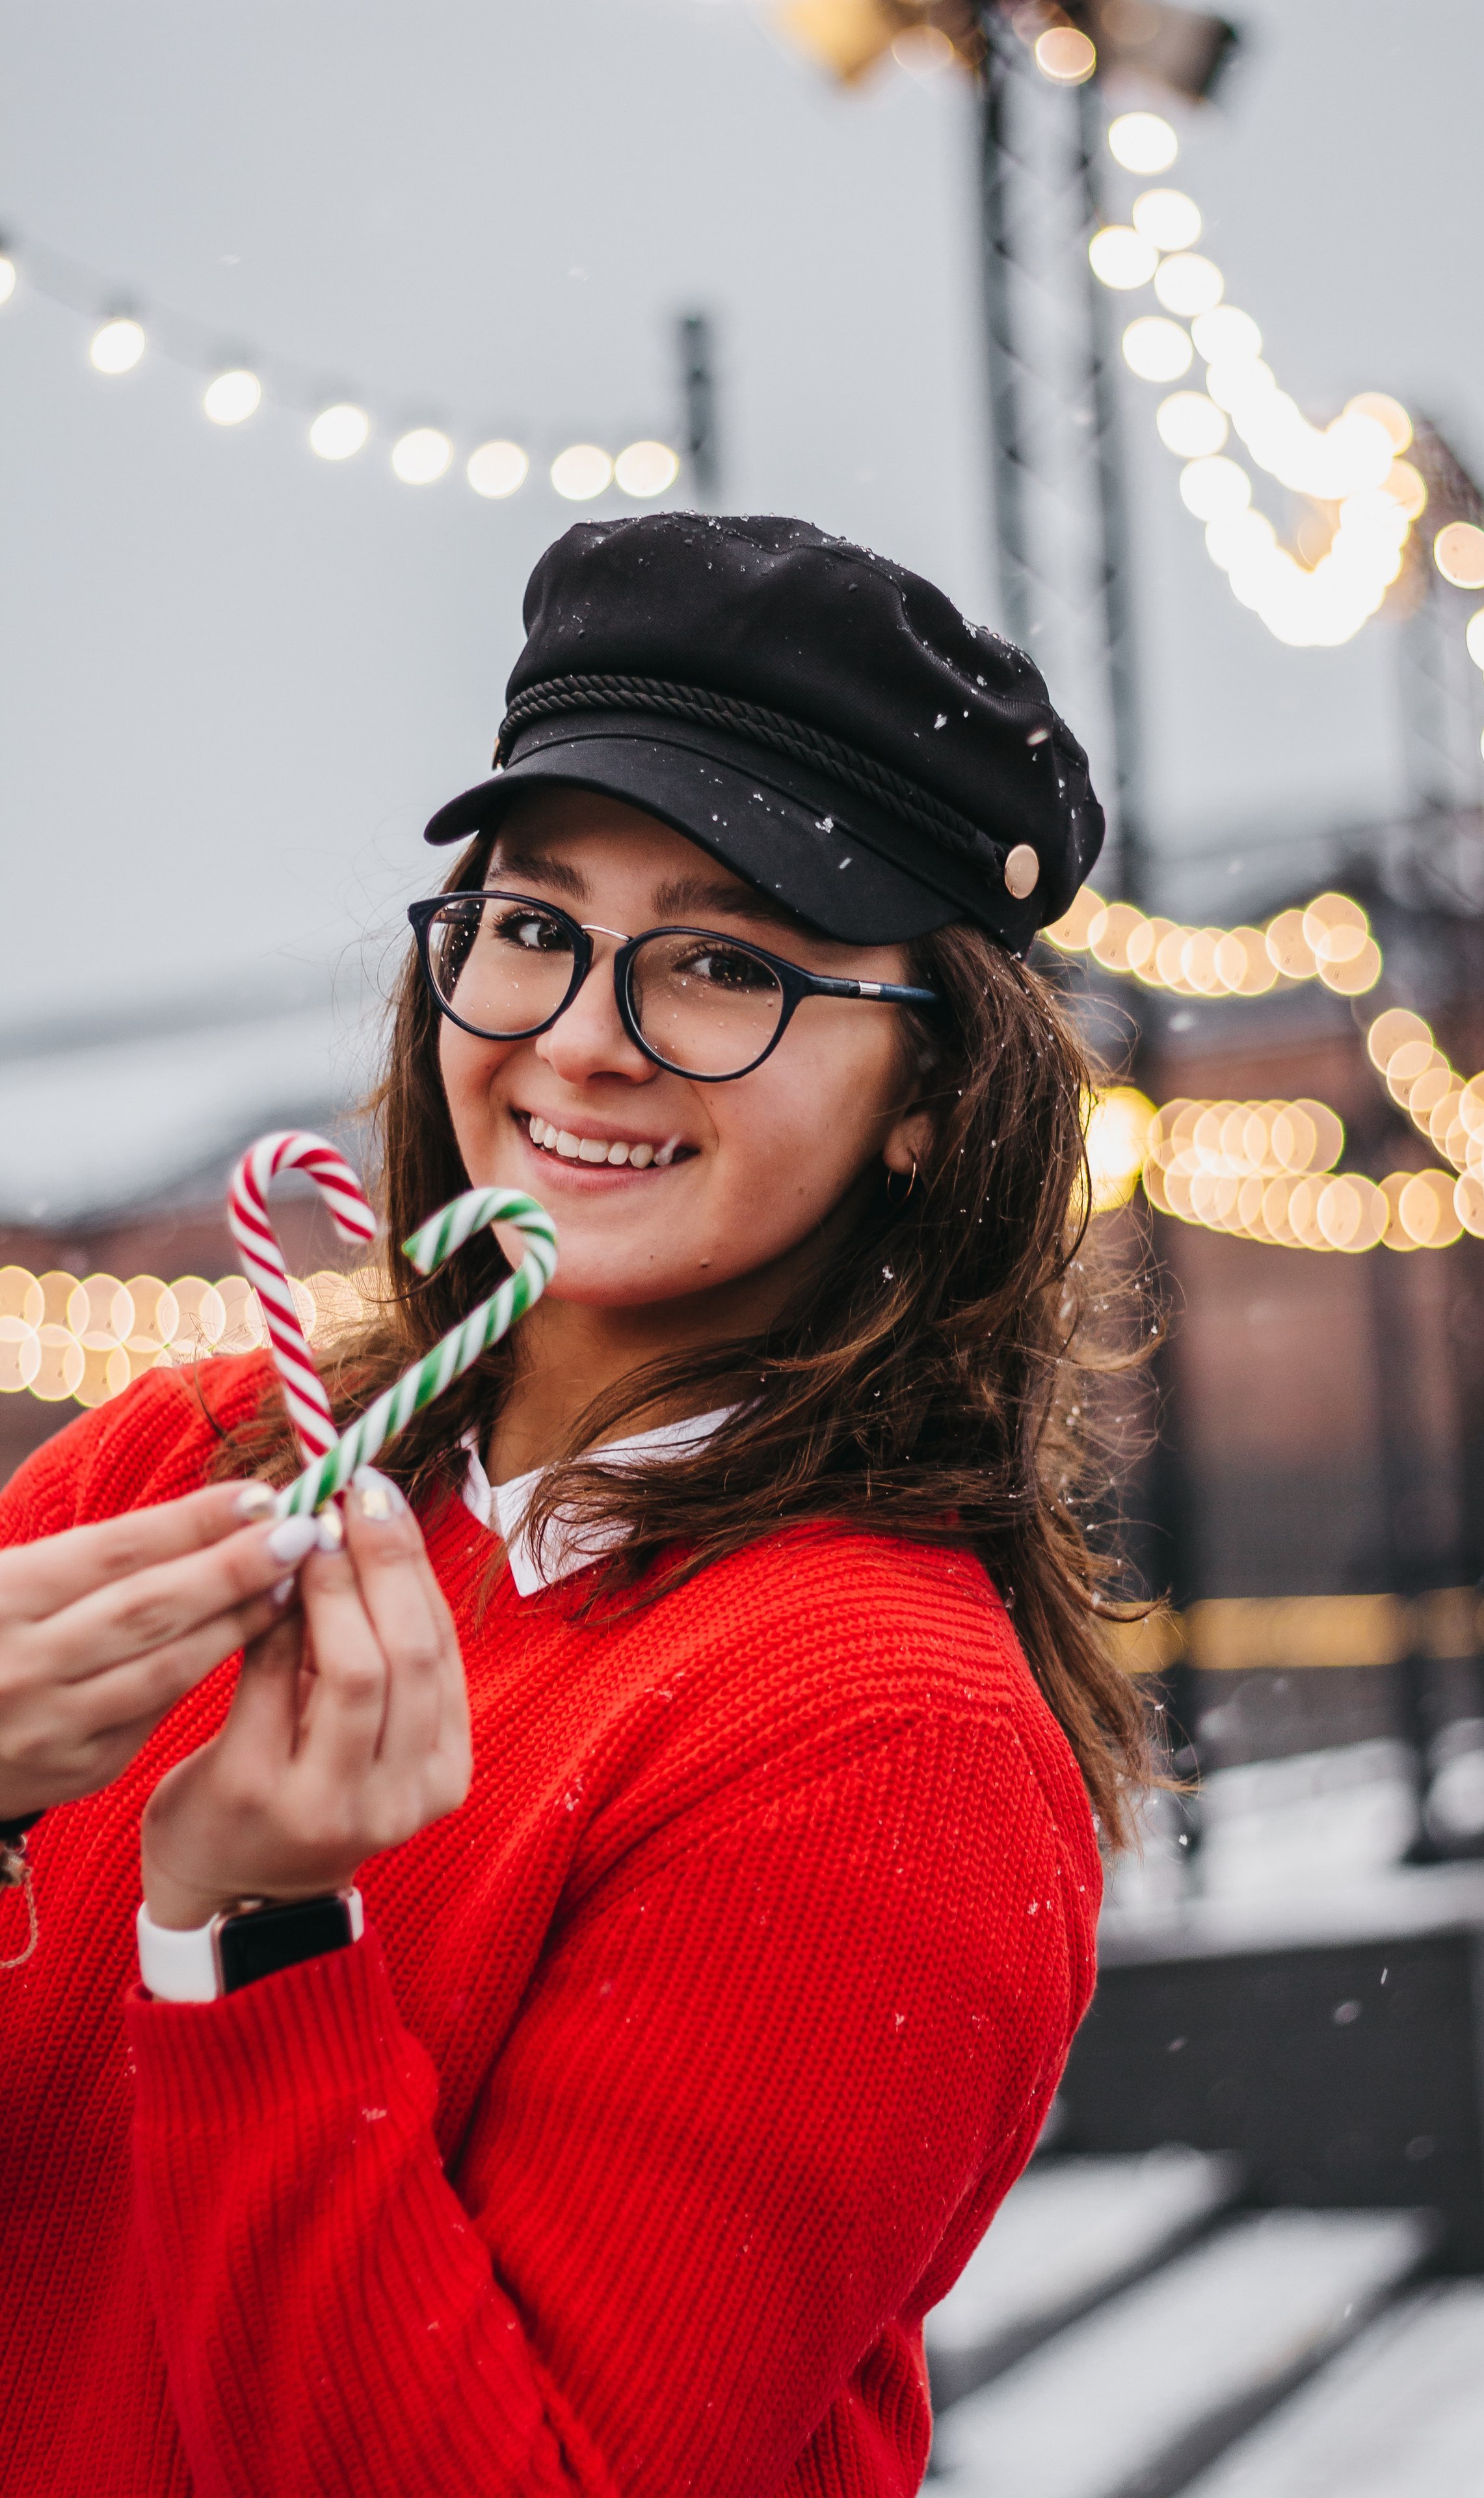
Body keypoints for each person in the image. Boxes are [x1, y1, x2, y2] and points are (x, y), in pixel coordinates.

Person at [0, 516, 1153, 2497]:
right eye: (532, 924)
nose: (580, 1033)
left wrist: (258, 1943)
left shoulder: (880, 1740)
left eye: (721, 962)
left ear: (936, 1094)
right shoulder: (175, 1466)